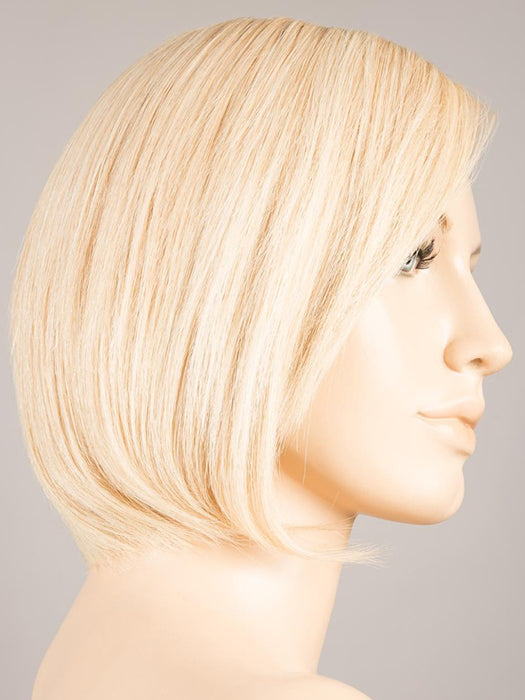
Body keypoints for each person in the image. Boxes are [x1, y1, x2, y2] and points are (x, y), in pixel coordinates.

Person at [9, 16, 513, 700]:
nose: (489, 344)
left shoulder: (79, 671)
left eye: (467, 267)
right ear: (220, 275)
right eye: (410, 257)